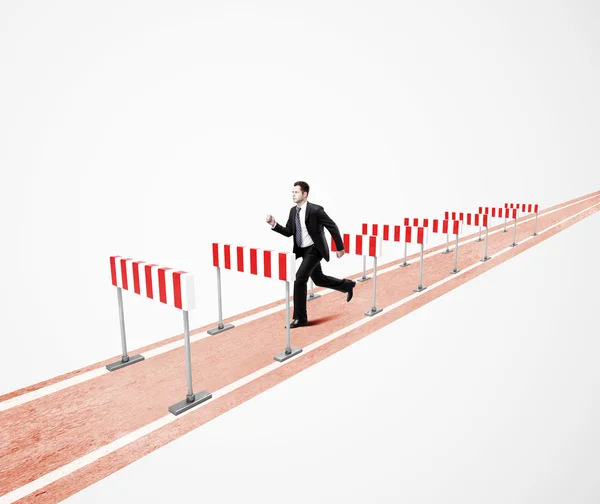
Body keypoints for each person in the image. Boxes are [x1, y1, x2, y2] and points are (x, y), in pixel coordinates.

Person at [266, 181, 356, 328]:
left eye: (296, 192)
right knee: (319, 279)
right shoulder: (293, 211)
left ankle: (301, 318)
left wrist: (340, 247)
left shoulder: (316, 210)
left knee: (299, 279)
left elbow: (332, 226)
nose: (293, 195)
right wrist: (274, 224)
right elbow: (289, 232)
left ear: (305, 194)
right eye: (292, 192)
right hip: (303, 251)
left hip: (315, 250)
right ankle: (347, 285)